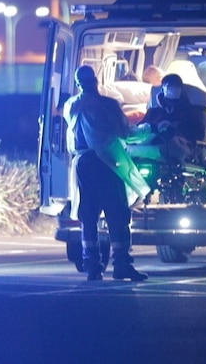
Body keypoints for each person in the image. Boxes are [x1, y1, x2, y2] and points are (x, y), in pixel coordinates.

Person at [63, 65, 148, 282]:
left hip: (82, 162)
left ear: (77, 83)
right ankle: (122, 265)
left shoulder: (71, 105)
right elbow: (124, 132)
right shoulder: (107, 105)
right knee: (117, 213)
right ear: (96, 80)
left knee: (88, 216)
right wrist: (149, 129)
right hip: (108, 161)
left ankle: (92, 267)